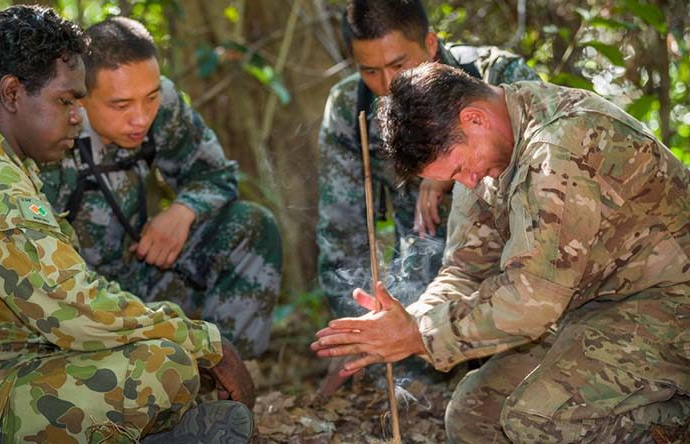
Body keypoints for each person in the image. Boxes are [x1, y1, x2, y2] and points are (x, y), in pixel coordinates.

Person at [0, 6, 255, 443]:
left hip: (1, 365)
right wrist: (208, 343)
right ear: (12, 94)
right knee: (165, 367)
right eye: (66, 101)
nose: (78, 117)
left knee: (163, 360)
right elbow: (74, 308)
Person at [312, 62, 690, 442]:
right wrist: (408, 320)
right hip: (592, 308)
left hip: (669, 304)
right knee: (472, 416)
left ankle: (677, 418)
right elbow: (465, 271)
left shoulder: (558, 149)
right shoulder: (486, 151)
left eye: (461, 168)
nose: (468, 182)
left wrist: (420, 336)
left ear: (474, 119)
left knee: (540, 420)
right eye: (454, 178)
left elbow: (532, 302)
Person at [315, 0, 538, 394]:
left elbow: (550, 184)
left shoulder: (496, 76)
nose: (386, 85)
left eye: (399, 66)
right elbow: (342, 226)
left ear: (431, 44)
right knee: (418, 381)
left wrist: (456, 167)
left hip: (515, 258)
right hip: (428, 269)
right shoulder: (353, 109)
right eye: (370, 70)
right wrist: (357, 335)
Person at [38, 16, 282, 360]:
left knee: (252, 226)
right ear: (80, 97)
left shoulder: (161, 102)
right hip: (75, 306)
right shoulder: (46, 134)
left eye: (150, 98)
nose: (141, 118)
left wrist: (184, 210)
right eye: (121, 105)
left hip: (144, 278)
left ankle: (226, 377)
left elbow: (216, 174)